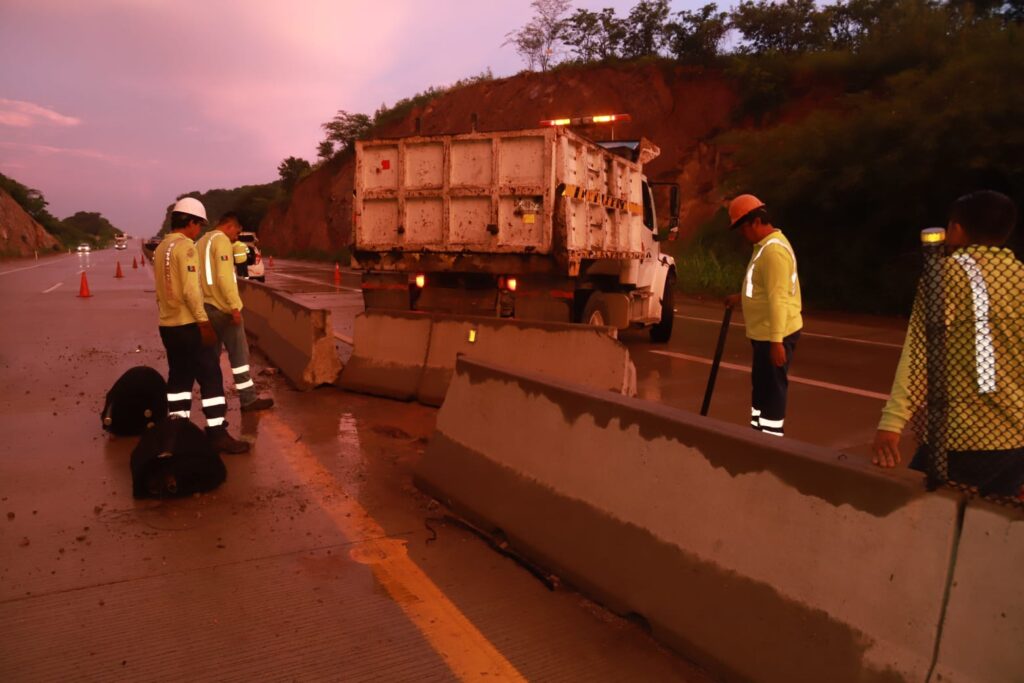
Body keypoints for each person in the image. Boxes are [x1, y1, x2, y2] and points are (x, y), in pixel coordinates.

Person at [872, 190, 1024, 497]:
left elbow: (919, 353)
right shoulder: (1019, 277)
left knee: (913, 512)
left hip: (963, 437)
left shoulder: (946, 275)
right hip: (1017, 438)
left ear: (955, 228)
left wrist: (893, 421)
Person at [153, 197, 250, 454]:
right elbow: (190, 291)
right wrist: (203, 322)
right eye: (199, 224)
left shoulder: (161, 248)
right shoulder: (185, 247)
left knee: (179, 379)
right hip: (189, 325)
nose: (199, 230)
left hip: (168, 325)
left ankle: (177, 432)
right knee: (211, 377)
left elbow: (162, 291)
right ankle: (217, 433)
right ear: (191, 222)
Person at [724, 194, 803, 437]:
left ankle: (769, 441)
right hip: (764, 333)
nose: (742, 235)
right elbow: (762, 289)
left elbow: (778, 298)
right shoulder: (765, 248)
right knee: (761, 388)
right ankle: (757, 435)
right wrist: (740, 298)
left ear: (756, 221)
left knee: (772, 389)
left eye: (743, 228)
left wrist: (777, 342)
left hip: (773, 333)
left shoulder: (773, 252)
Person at [197, 212, 274, 412]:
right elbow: (224, 277)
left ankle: (214, 400)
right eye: (236, 232)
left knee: (211, 360)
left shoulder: (201, 242)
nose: (236, 237)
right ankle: (248, 399)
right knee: (239, 356)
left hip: (205, 308)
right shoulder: (221, 241)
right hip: (223, 309)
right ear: (229, 226)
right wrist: (234, 306)